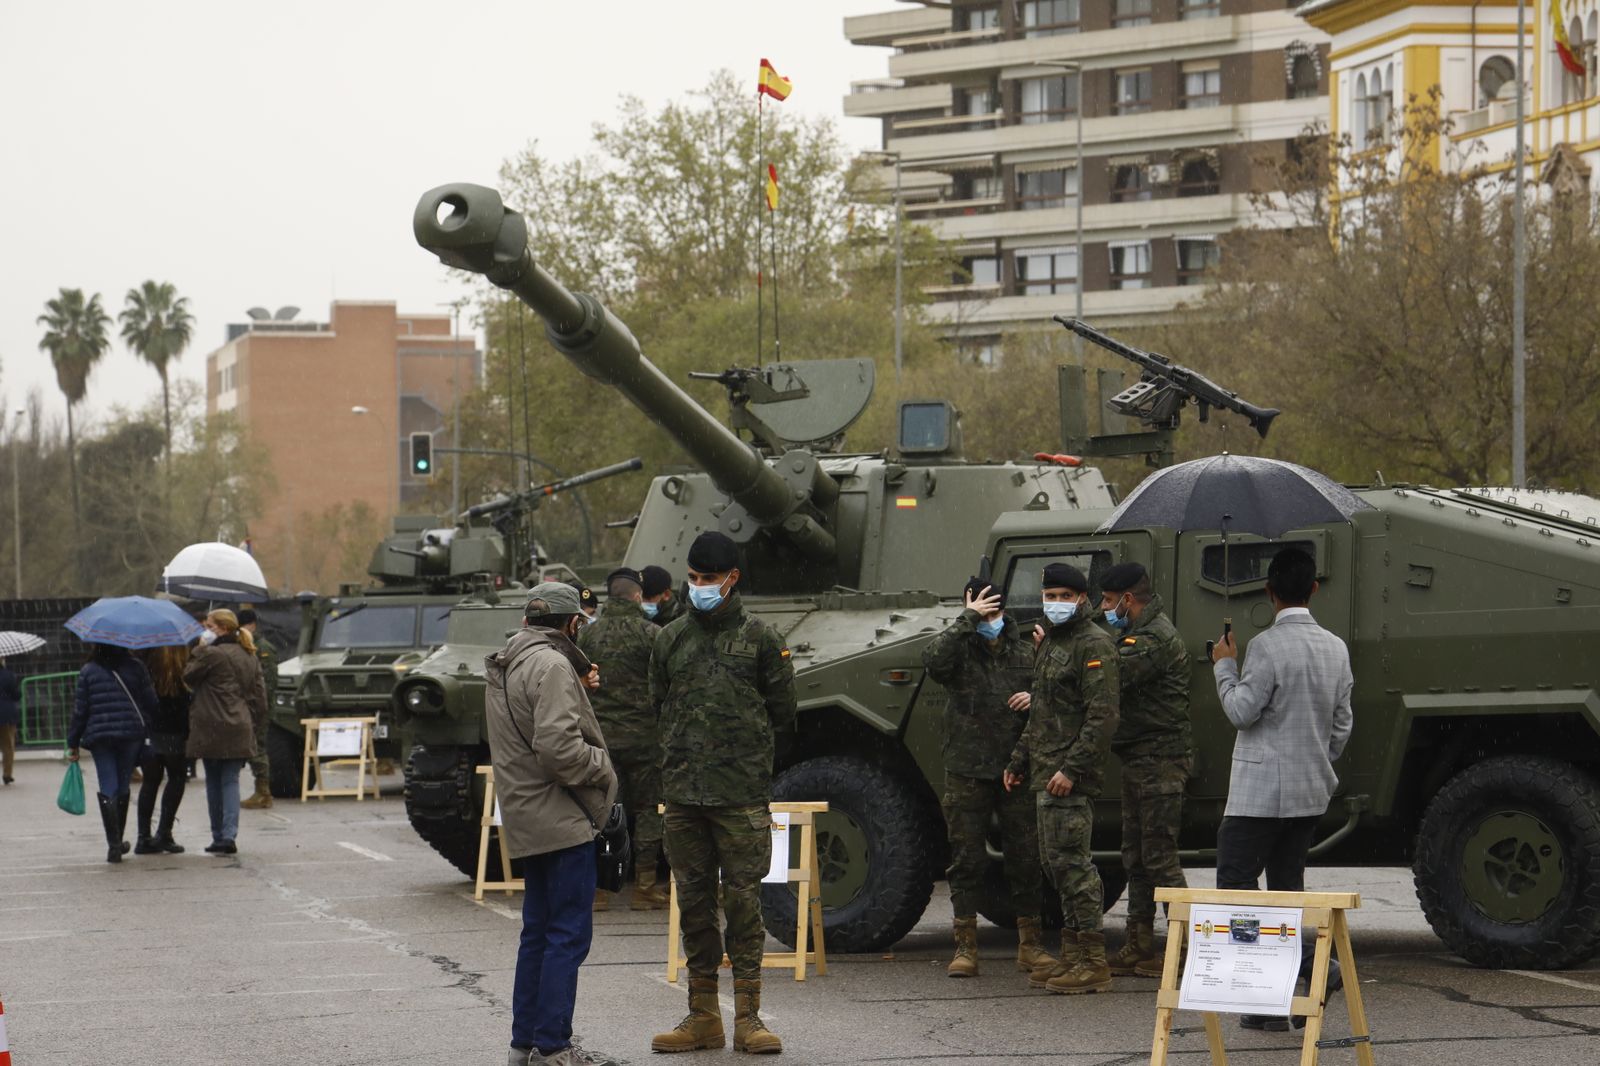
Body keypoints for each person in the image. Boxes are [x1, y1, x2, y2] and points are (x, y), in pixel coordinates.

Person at [649, 531, 795, 1055]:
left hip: (739, 798)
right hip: (685, 797)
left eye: (708, 580)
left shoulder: (761, 639)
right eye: (692, 579)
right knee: (692, 905)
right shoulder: (670, 639)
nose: (697, 588)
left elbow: (784, 712)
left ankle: (749, 1018)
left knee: (744, 906)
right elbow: (657, 705)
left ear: (732, 579)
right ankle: (702, 1015)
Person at [1211, 546, 1353, 1032]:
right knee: (1287, 890)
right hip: (1309, 793)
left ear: (1269, 592)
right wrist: (1312, 761)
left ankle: (1304, 971)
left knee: (1236, 887)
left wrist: (1224, 665)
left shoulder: (1267, 647)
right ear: (1314, 589)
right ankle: (1269, 1001)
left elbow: (1240, 711)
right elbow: (1341, 725)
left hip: (1257, 796)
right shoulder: (1336, 647)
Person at [486, 581, 619, 1066]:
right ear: (570, 624)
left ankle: (525, 1044)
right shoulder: (554, 665)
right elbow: (559, 749)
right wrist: (602, 766)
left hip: (526, 813)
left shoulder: (507, 662)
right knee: (567, 935)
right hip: (562, 816)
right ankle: (555, 1047)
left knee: (538, 934)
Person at [921, 578, 1049, 979]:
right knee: (966, 859)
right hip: (967, 769)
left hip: (1017, 768)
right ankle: (965, 946)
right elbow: (933, 661)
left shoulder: (1029, 648)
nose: (987, 616)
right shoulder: (957, 645)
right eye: (980, 607)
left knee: (1026, 858)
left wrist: (1037, 698)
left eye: (992, 609)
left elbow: (1059, 695)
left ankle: (1030, 944)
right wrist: (967, 619)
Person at [1004, 562, 1120, 995]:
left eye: (1063, 597)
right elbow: (1043, 712)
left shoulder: (1094, 644)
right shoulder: (1054, 643)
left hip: (1068, 778)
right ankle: (1072, 955)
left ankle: (1093, 961)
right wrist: (1018, 761)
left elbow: (1102, 716)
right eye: (1049, 596)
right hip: (1044, 774)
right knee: (1057, 866)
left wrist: (1072, 770)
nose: (1055, 604)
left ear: (1082, 599)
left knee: (1074, 867)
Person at [1098, 562, 1192, 978]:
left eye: (1106, 601)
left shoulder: (1154, 638)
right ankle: (1138, 944)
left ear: (1127, 600)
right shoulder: (1136, 633)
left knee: (1160, 858)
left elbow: (1111, 672)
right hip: (1140, 759)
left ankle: (1186, 950)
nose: (1104, 608)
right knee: (1136, 857)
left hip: (1160, 761)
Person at [576, 566, 666, 913]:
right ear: (637, 596)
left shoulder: (588, 637)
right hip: (646, 741)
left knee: (603, 811)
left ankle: (599, 889)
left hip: (601, 742)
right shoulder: (653, 634)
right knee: (646, 811)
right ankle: (644, 886)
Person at [184, 609, 268, 856]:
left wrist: (199, 647)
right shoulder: (250, 655)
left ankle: (218, 835)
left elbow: (188, 675)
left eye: (209, 625)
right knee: (231, 781)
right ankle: (230, 834)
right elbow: (260, 697)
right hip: (239, 726)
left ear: (221, 628)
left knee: (213, 781)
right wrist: (253, 723)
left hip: (211, 725)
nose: (205, 629)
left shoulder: (210, 654)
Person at [67, 643, 158, 863]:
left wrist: (73, 741)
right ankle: (118, 839)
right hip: (130, 733)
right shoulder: (136, 667)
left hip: (100, 735)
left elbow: (81, 709)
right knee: (124, 782)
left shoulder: (89, 670)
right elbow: (151, 702)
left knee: (108, 784)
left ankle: (114, 845)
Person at [134, 645, 192, 854]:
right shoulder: (184, 668)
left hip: (151, 730)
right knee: (176, 778)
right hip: (175, 731)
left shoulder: (144, 663)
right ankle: (164, 832)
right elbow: (187, 702)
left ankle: (143, 836)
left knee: (150, 782)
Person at [238, 608, 279, 810]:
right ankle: (261, 790)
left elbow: (268, 684)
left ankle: (264, 792)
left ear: (252, 625)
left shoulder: (264, 649)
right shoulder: (247, 647)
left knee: (258, 748)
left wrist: (259, 707)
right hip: (249, 707)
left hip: (261, 708)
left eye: (245, 626)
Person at [0, 656, 20, 785]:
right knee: (8, 746)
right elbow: (17, 695)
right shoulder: (9, 675)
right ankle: (7, 774)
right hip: (6, 714)